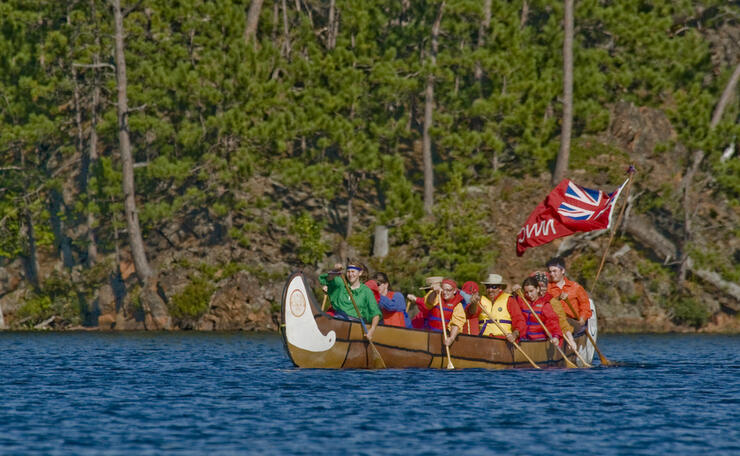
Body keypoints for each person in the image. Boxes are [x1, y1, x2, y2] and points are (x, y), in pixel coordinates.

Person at [319, 258, 381, 340]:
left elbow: (375, 313)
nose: (350, 274)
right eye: (348, 271)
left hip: (356, 326)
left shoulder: (366, 291)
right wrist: (335, 270)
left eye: (353, 271)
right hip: (338, 320)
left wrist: (372, 329)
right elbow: (327, 279)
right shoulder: (341, 283)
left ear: (360, 273)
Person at [531, 271, 577, 350]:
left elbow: (562, 322)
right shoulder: (525, 299)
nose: (542, 289)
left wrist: (571, 340)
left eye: (544, 286)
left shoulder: (553, 302)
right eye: (538, 286)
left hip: (548, 337)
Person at [546, 256, 592, 330]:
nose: (551, 274)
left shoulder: (575, 287)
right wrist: (557, 298)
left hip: (573, 321)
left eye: (554, 271)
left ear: (563, 271)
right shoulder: (546, 288)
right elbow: (545, 304)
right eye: (550, 272)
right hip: (554, 322)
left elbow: (585, 305)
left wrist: (583, 318)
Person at [477, 274, 526, 343]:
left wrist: (514, 334)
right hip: (484, 339)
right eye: (488, 287)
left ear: (500, 288)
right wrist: (473, 303)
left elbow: (519, 320)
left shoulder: (509, 300)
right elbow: (471, 314)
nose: (490, 290)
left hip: (503, 340)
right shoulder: (480, 300)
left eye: (494, 287)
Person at [517, 276, 562, 345]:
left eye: (531, 291)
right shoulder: (522, 301)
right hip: (523, 340)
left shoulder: (544, 305)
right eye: (526, 292)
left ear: (537, 289)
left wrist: (555, 336)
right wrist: (514, 292)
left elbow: (552, 321)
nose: (529, 295)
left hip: (539, 341)